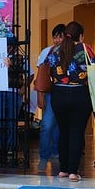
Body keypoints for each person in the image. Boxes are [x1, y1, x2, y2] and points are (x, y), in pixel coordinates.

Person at [45, 21, 95, 182]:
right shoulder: (84, 48)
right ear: (80, 35)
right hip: (79, 94)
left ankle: (63, 169)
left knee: (63, 132)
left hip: (58, 95)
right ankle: (73, 171)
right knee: (76, 132)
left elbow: (47, 67)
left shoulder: (54, 50)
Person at [0, 36, 31, 159]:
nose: (8, 48)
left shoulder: (21, 58)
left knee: (11, 121)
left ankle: (11, 148)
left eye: (10, 46)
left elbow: (29, 74)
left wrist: (23, 87)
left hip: (14, 91)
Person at [35, 24, 64, 171]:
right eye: (55, 36)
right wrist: (40, 95)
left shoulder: (70, 51)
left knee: (60, 126)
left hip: (65, 92)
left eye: (60, 36)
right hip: (50, 93)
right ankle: (43, 156)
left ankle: (56, 153)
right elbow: (40, 75)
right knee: (47, 125)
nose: (57, 40)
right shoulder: (46, 52)